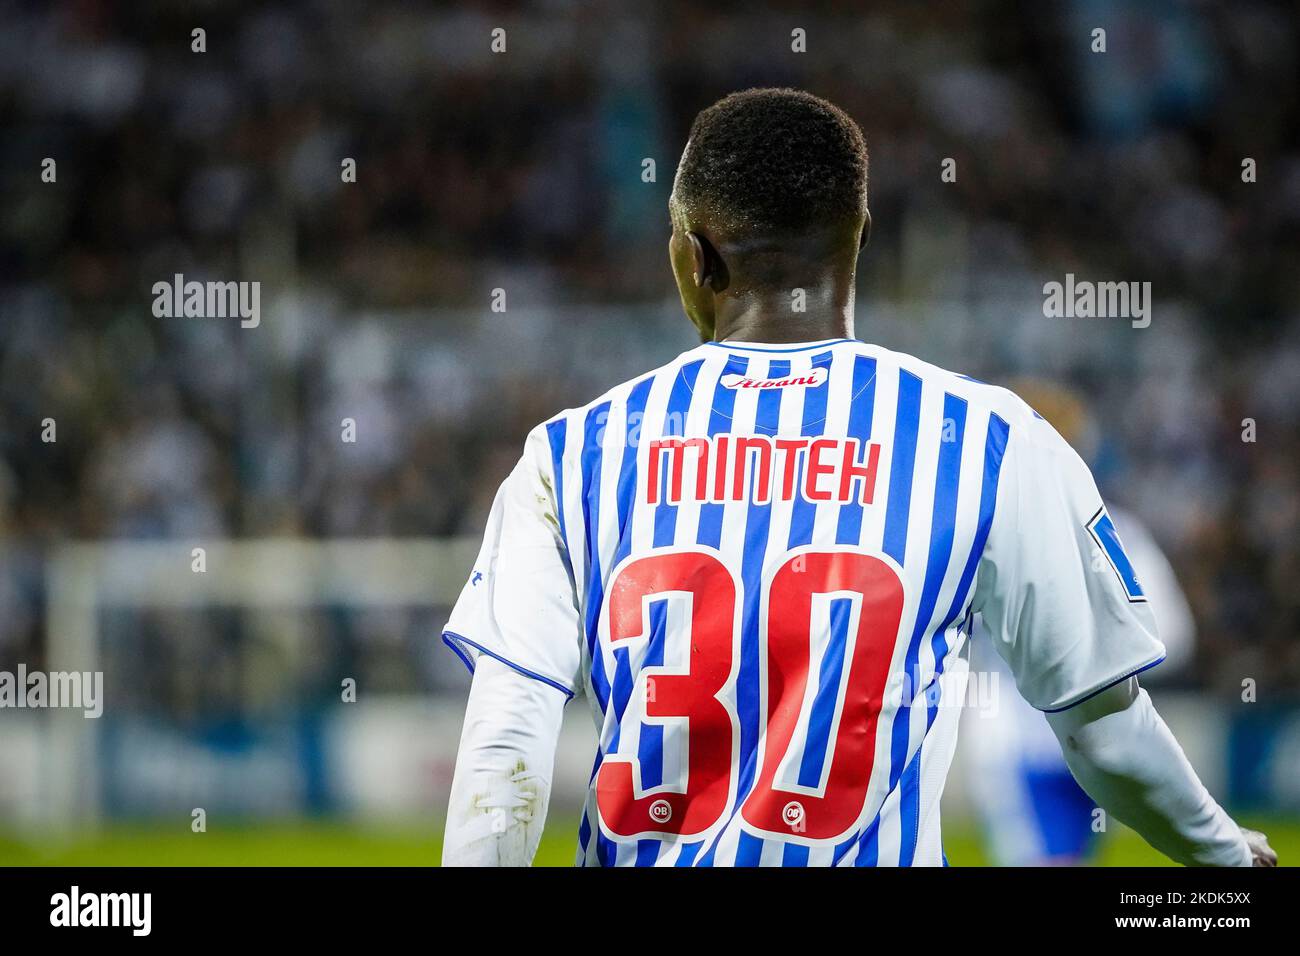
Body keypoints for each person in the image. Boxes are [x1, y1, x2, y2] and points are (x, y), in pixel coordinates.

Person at [439, 88, 1275, 867]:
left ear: (693, 257)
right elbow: (1106, 731)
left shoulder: (572, 455)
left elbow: (507, 739)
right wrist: (1226, 853)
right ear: (861, 237)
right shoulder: (991, 441)